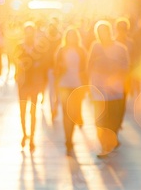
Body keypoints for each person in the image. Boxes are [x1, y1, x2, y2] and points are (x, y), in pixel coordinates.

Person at [87, 20, 130, 158]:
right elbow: (89, 66)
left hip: (115, 91)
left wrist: (114, 67)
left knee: (113, 120)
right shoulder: (95, 47)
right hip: (98, 90)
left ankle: (111, 141)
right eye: (99, 32)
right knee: (100, 120)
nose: (102, 35)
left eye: (105, 32)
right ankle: (104, 146)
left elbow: (126, 67)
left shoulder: (120, 48)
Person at [14, 22, 48, 152]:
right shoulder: (19, 46)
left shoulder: (38, 48)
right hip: (23, 83)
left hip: (34, 83)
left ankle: (32, 137)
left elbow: (44, 65)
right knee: (23, 111)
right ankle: (24, 134)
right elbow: (15, 61)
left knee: (33, 112)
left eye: (31, 32)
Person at [54, 27, 87, 155]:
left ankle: (71, 136)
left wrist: (86, 86)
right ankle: (67, 139)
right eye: (69, 36)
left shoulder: (81, 51)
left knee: (74, 113)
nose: (71, 38)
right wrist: (60, 68)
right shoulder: (61, 50)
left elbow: (85, 69)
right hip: (64, 85)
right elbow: (56, 69)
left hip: (77, 85)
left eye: (73, 36)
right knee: (66, 113)